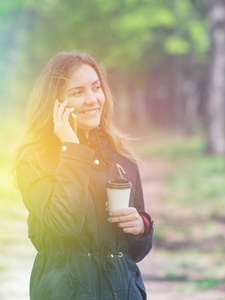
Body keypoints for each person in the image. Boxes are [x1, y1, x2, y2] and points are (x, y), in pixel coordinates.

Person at [12, 51, 154, 300]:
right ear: (54, 104)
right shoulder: (34, 160)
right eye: (77, 93)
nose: (92, 99)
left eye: (96, 88)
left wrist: (141, 227)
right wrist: (72, 148)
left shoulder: (121, 155)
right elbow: (64, 223)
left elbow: (136, 251)